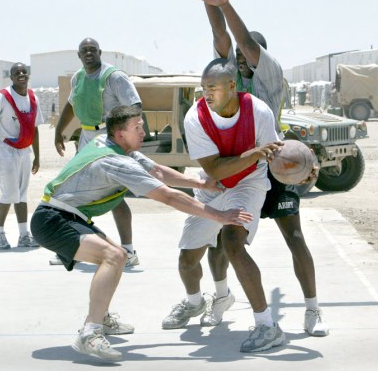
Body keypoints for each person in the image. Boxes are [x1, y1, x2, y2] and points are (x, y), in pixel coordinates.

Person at [30, 105, 253, 361]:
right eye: (137, 127)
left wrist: (200, 183)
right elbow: (167, 196)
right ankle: (90, 333)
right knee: (112, 256)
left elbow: (157, 171)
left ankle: (100, 318)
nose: (143, 131)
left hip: (64, 215)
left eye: (141, 125)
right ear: (120, 132)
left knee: (118, 257)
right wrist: (219, 215)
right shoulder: (116, 161)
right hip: (52, 219)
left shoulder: (112, 145)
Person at [192, 0, 329, 337]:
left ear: (259, 56)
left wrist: (227, 3)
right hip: (238, 170)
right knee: (223, 241)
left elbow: (243, 42)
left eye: (246, 55)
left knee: (294, 238)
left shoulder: (269, 73)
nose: (240, 59)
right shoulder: (229, 80)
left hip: (272, 167)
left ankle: (313, 309)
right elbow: (221, 38)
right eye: (237, 57)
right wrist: (210, 1)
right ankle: (221, 297)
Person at [161, 58, 286, 353]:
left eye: (213, 87)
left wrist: (304, 165)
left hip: (249, 184)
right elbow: (215, 170)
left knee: (232, 243)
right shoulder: (195, 117)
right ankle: (194, 302)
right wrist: (253, 152)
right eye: (204, 88)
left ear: (232, 86)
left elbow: (276, 154)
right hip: (212, 184)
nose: (207, 94)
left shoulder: (258, 110)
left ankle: (267, 326)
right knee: (187, 258)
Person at [53, 37, 142, 266]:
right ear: (79, 54)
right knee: (74, 192)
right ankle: (72, 248)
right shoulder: (78, 77)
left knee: (112, 194)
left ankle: (129, 251)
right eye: (84, 50)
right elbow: (72, 105)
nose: (88, 53)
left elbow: (134, 106)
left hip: (109, 138)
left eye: (92, 49)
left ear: (100, 52)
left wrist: (127, 139)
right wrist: (59, 131)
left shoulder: (114, 76)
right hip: (86, 138)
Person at [0, 62, 43, 250]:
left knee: (22, 194)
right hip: (4, 149)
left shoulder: (33, 98)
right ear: (11, 77)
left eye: (24, 71)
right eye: (17, 72)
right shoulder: (1, 97)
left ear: (29, 75)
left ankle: (24, 235)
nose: (21, 74)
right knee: (10, 193)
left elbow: (35, 129)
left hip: (24, 150)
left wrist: (37, 156)